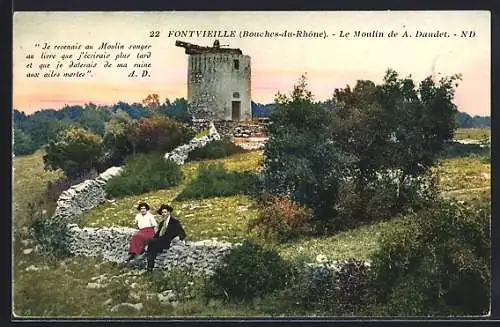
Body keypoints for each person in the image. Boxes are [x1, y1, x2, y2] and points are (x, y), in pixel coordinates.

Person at [146, 204, 186, 271]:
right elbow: (157, 234)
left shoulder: (174, 222)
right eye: (162, 213)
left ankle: (150, 266)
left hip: (168, 242)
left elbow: (182, 233)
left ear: (169, 212)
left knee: (151, 245)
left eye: (165, 212)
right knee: (151, 245)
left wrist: (178, 237)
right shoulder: (162, 223)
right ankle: (150, 266)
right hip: (159, 241)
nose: (163, 214)